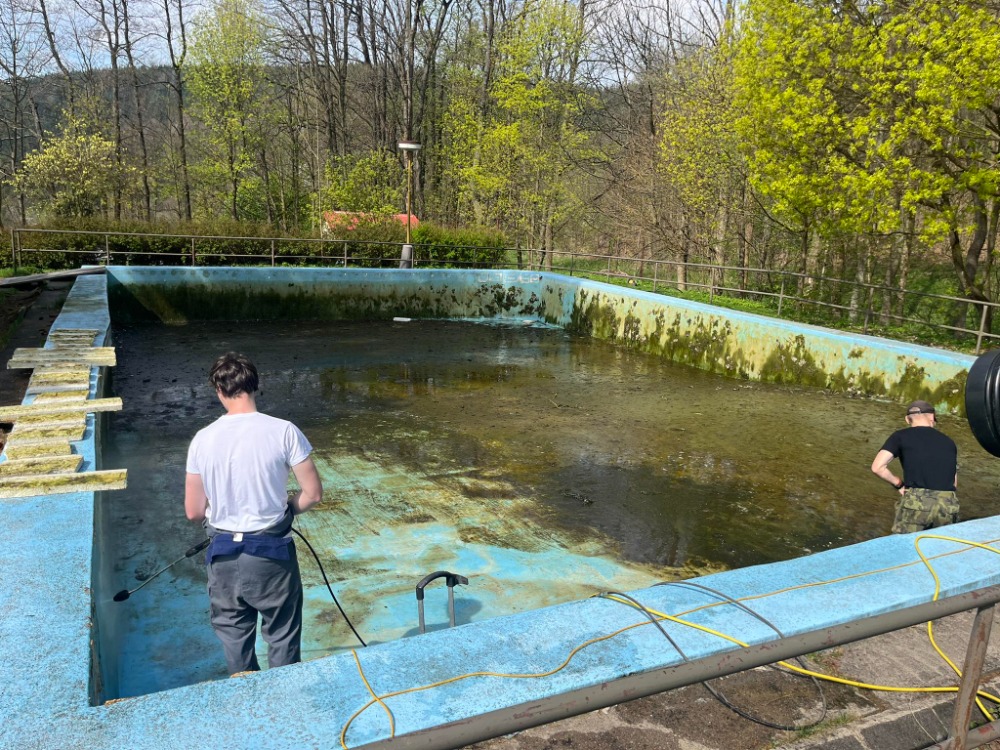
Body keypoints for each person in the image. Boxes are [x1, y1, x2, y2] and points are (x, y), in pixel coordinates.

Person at [184, 351, 323, 675]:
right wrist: (288, 510)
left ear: (219, 390)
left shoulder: (202, 439)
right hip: (272, 555)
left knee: (235, 641)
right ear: (255, 386)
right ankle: (285, 696)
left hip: (223, 557)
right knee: (282, 635)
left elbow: (193, 511)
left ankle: (247, 694)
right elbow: (313, 494)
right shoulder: (284, 431)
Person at [870, 399, 958, 534]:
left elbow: (877, 467)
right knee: (940, 545)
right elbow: (954, 482)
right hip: (947, 505)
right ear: (932, 417)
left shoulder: (900, 436)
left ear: (907, 419)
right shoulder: (949, 442)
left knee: (906, 544)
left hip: (917, 503)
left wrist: (899, 484)